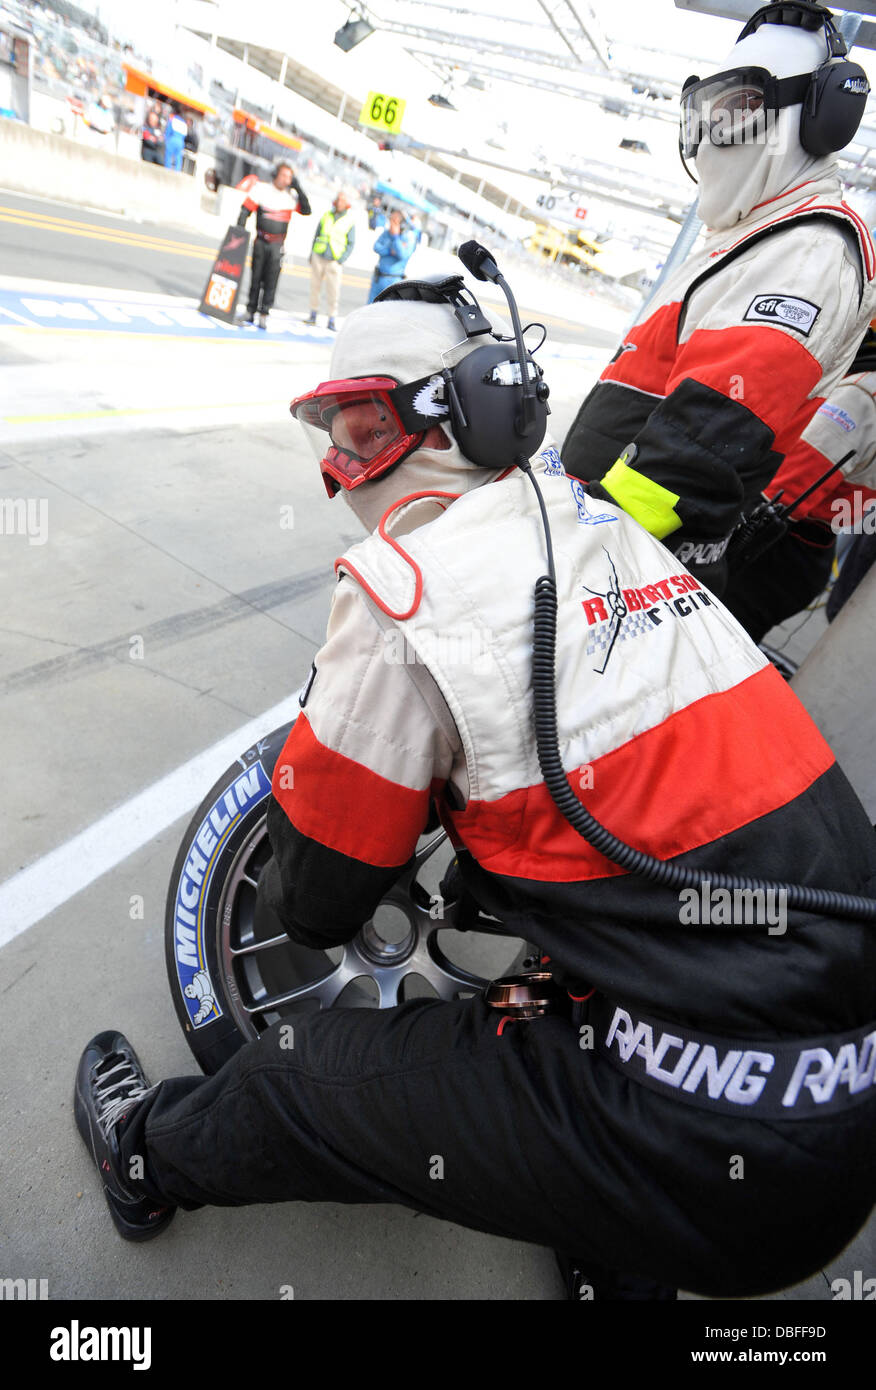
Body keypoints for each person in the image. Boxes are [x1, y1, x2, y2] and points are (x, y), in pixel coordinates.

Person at [75, 281, 876, 1301]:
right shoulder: (604, 524)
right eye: (330, 430)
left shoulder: (408, 597)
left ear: (469, 410)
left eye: (361, 427)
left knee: (294, 1072)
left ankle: (139, 1161)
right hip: (843, 1105)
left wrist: (347, 748)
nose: (339, 466)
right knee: (572, 978)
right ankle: (620, 1250)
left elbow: (315, 903)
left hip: (704, 1136)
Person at [561, 1, 875, 596]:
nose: (709, 138)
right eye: (702, 114)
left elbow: (696, 450)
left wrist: (578, 550)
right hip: (604, 542)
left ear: (820, 118)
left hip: (620, 566)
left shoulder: (805, 250)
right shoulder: (749, 237)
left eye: (739, 110)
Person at [722, 321, 876, 642]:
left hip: (772, 550)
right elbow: (851, 514)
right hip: (809, 553)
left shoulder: (862, 394)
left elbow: (781, 495)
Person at [236, 161, 311, 330]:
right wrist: (239, 232)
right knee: (256, 279)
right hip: (261, 241)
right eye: (284, 175)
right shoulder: (261, 190)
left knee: (271, 281)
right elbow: (245, 210)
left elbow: (307, 210)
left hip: (278, 245)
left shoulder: (291, 196)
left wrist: (298, 187)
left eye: (290, 177)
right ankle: (250, 311)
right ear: (276, 174)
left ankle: (264, 314)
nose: (286, 180)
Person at [307, 187, 356, 332]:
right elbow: (317, 234)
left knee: (333, 291)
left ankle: (331, 318)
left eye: (343, 200)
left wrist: (341, 258)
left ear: (347, 204)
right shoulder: (326, 215)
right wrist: (312, 253)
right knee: (315, 286)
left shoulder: (349, 220)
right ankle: (313, 313)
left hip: (334, 260)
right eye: (338, 199)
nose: (339, 202)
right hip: (319, 255)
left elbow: (351, 243)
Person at [367, 209, 416, 302]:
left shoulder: (408, 238)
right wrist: (389, 251)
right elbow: (376, 247)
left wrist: (395, 237)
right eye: (391, 221)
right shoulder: (386, 233)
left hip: (393, 280)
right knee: (370, 307)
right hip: (378, 278)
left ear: (402, 224)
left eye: (394, 222)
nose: (391, 225)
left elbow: (402, 255)